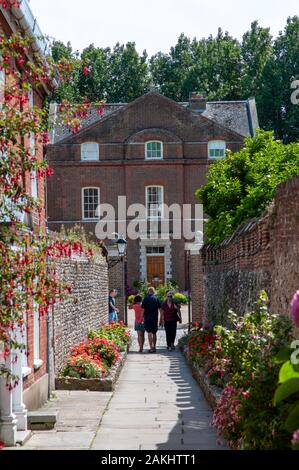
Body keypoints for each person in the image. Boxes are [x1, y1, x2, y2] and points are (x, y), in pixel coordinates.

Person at [141, 287, 161, 353]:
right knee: (154, 333)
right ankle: (154, 347)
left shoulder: (145, 299)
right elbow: (160, 310)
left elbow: (143, 310)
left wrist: (141, 318)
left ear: (148, 291)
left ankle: (151, 347)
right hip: (155, 318)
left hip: (147, 318)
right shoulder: (156, 298)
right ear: (154, 291)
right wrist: (161, 319)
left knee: (149, 332)